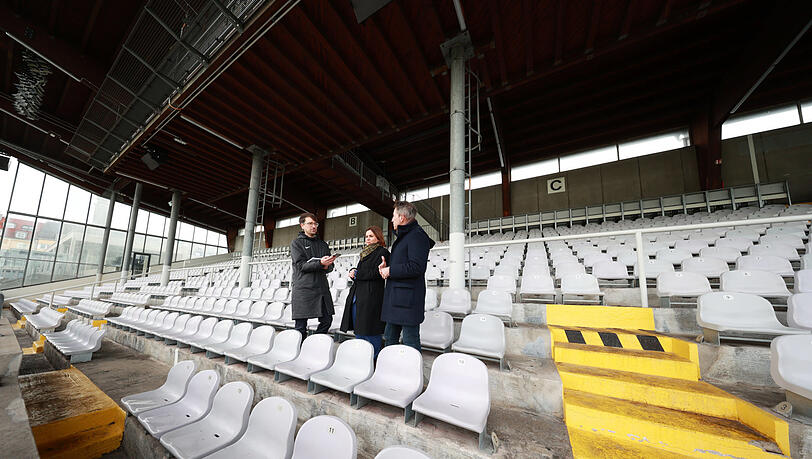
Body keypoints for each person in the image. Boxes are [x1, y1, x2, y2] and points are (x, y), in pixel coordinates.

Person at [378, 201, 435, 351]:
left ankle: (413, 373)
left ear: (402, 217)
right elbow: (403, 263)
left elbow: (416, 267)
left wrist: (390, 271)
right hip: (396, 298)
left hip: (407, 300)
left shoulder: (417, 236)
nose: (392, 220)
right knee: (390, 338)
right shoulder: (405, 236)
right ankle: (390, 369)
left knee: (410, 341)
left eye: (393, 216)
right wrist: (386, 266)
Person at [340, 226, 389, 358]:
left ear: (378, 238)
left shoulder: (382, 252)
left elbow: (377, 273)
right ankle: (360, 358)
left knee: (371, 330)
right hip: (358, 296)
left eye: (371, 236)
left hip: (372, 297)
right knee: (359, 329)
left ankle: (374, 359)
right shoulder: (364, 252)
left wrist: (358, 274)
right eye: (366, 236)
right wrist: (353, 270)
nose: (368, 238)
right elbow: (362, 270)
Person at [290, 212, 336, 339]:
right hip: (304, 288)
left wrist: (327, 265)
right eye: (310, 223)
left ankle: (313, 343)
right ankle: (299, 350)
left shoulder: (323, 245)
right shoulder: (296, 244)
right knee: (300, 326)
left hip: (321, 288)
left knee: (327, 321)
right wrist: (320, 263)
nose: (314, 226)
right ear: (302, 226)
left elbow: (330, 267)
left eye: (316, 223)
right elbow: (301, 266)